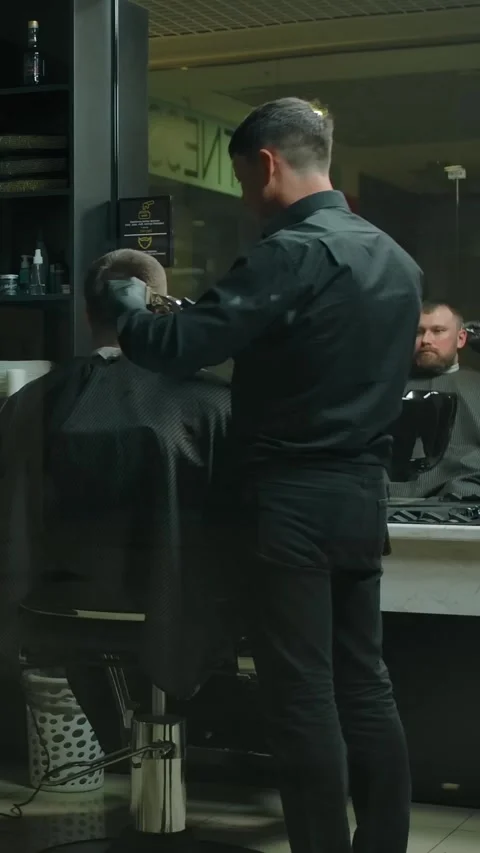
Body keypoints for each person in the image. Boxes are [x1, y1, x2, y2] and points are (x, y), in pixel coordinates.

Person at [106, 98, 422, 853]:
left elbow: (181, 346)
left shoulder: (290, 252)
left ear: (268, 164)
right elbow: (306, 345)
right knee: (365, 685)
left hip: (291, 501)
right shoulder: (395, 258)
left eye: (247, 182)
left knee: (302, 694)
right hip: (359, 494)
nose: (249, 200)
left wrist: (131, 312)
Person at [0, 250, 231, 726]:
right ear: (163, 308)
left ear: (86, 315)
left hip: (46, 609)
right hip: (173, 613)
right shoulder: (212, 404)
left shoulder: (27, 403)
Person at [390, 301, 480, 500]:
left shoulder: (476, 386)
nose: (426, 340)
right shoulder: (385, 388)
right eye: (419, 332)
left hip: (463, 498)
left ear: (461, 338)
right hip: (386, 498)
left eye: (438, 331)